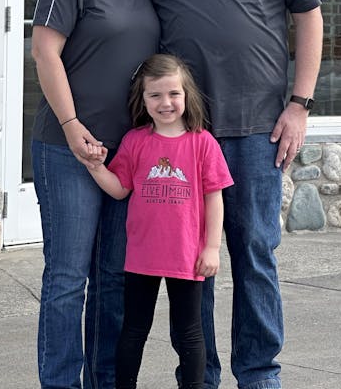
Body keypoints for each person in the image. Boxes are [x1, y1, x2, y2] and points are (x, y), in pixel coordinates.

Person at [134, 0, 326, 389]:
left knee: (254, 258)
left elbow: (308, 14)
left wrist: (300, 103)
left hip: (255, 129)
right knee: (192, 264)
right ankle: (201, 375)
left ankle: (259, 375)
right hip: (182, 135)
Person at [30, 0, 160, 389]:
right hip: (69, 151)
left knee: (113, 279)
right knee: (67, 280)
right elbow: (45, 52)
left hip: (126, 153)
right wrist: (71, 125)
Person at [85, 53, 234, 389]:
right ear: (143, 99)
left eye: (173, 94)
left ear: (186, 96)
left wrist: (211, 248)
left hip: (187, 255)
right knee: (134, 329)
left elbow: (215, 197)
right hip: (142, 256)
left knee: (189, 331)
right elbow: (120, 189)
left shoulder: (202, 143)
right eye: (155, 95)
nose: (165, 102)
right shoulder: (135, 141)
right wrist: (96, 167)